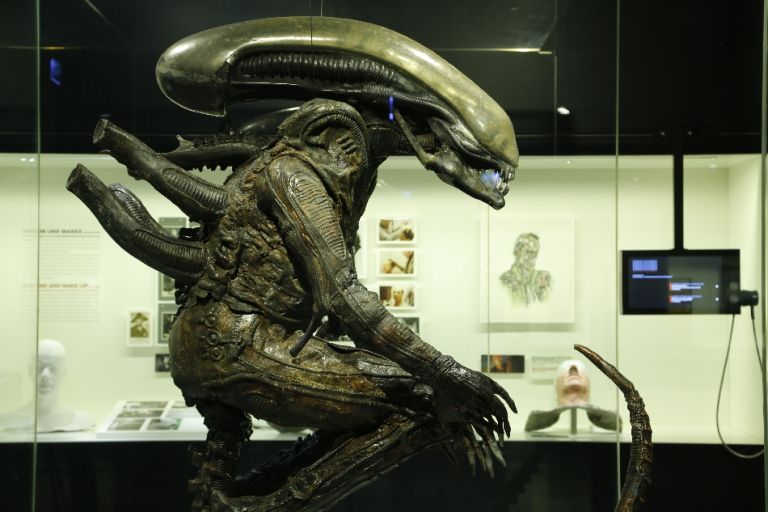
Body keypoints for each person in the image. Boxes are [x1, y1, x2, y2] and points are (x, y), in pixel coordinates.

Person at [0, 339, 95, 432]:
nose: (45, 376)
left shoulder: (81, 420)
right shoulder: (7, 420)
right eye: (39, 367)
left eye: (53, 369)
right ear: (30, 371)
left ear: (63, 373)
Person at [524, 358, 621, 432]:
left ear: (588, 382)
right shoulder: (535, 420)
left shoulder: (613, 420)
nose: (573, 371)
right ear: (557, 383)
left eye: (581, 369)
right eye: (564, 369)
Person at [499, 232, 552, 306]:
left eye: (535, 253)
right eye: (528, 252)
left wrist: (542, 290)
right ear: (517, 252)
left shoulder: (543, 278)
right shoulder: (505, 280)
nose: (533, 257)